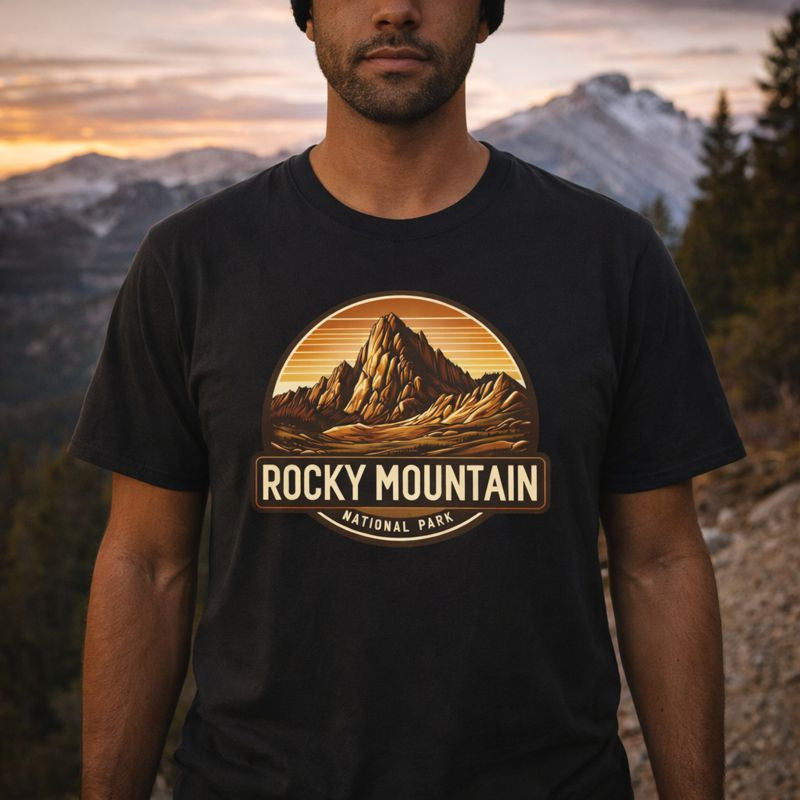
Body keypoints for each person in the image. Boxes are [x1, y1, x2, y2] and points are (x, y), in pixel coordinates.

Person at [68, 1, 747, 798]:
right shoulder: (192, 262)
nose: (395, 8)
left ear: (486, 14)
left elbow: (661, 563)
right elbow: (146, 566)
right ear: (309, 14)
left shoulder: (610, 258)